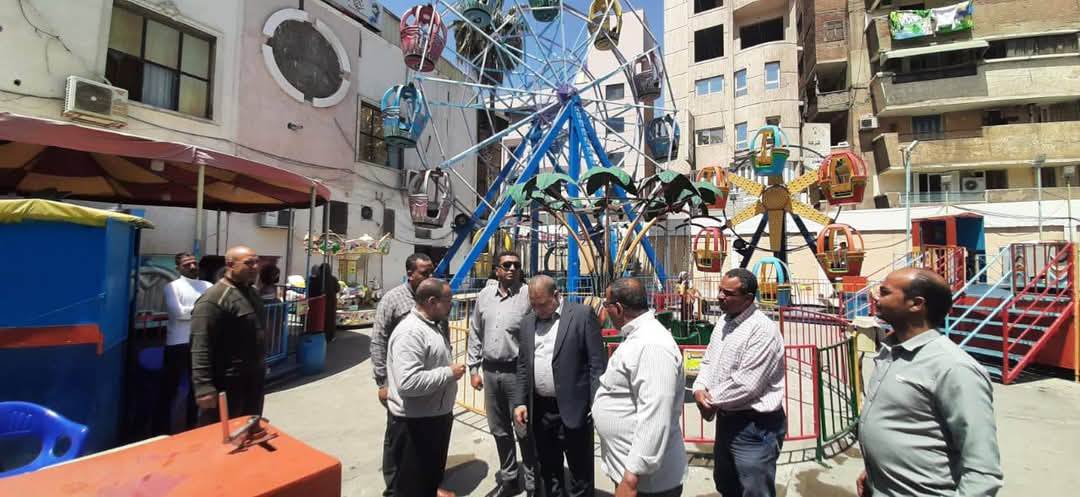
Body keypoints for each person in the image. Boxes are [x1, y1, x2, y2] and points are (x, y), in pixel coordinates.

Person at [857, 268, 1002, 497]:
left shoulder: (953, 367)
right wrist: (875, 471)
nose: (876, 297)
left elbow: (982, 470)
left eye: (885, 292)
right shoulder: (890, 351)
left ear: (916, 304)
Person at [692, 268, 786, 497]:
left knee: (754, 490)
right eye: (720, 290)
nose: (720, 296)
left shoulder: (762, 330)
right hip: (727, 422)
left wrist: (710, 401)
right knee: (726, 484)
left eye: (728, 293)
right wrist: (699, 388)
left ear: (748, 298)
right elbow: (709, 361)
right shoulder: (723, 323)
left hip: (754, 428)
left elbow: (747, 384)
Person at [512, 275, 607, 497]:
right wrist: (519, 402)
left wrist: (595, 404)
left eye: (542, 304)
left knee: (580, 473)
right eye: (533, 305)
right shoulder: (527, 322)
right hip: (541, 412)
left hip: (576, 409)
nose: (538, 310)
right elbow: (523, 366)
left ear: (557, 295)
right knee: (549, 470)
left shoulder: (582, 316)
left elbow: (596, 364)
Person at [594, 278, 686, 497]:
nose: (605, 311)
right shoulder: (638, 336)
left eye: (606, 305)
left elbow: (655, 415)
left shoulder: (652, 345)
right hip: (631, 474)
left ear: (618, 308)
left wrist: (632, 476)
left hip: (647, 484)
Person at [386, 278, 466, 497]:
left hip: (433, 418)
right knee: (412, 487)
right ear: (432, 301)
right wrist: (449, 373)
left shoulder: (431, 325)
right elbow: (408, 383)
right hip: (416, 425)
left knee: (427, 480)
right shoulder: (411, 333)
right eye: (448, 301)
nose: (451, 305)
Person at [371, 253, 440, 497]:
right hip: (401, 383)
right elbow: (378, 340)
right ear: (410, 274)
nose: (430, 276)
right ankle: (394, 487)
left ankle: (426, 484)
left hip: (430, 381)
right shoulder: (393, 300)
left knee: (427, 437)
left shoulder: (435, 297)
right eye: (424, 272)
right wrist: (382, 381)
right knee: (398, 438)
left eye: (432, 271)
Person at [467, 250, 535, 497]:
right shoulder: (485, 296)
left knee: (523, 429)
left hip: (517, 373)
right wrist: (473, 369)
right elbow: (475, 331)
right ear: (497, 270)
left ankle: (532, 483)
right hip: (490, 371)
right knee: (499, 429)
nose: (512, 269)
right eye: (506, 265)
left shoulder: (528, 295)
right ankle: (509, 479)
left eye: (516, 265)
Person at [190, 245, 267, 426]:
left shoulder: (252, 293)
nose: (255, 267)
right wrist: (203, 387)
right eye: (249, 263)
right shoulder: (214, 298)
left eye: (257, 262)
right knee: (222, 433)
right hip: (227, 383)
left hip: (253, 378)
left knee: (249, 429)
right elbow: (200, 344)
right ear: (230, 265)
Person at [161, 252, 211, 433]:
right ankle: (162, 429)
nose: (192, 267)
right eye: (187, 264)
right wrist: (204, 309)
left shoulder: (208, 286)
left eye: (194, 263)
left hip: (200, 343)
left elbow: (214, 311)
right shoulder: (172, 287)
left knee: (196, 387)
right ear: (178, 268)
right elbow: (178, 314)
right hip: (177, 344)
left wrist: (195, 311)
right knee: (170, 388)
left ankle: (192, 427)